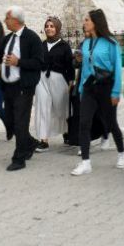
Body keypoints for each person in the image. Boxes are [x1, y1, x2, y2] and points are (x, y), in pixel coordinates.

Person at [72, 9, 124, 175]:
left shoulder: (111, 43)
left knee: (111, 123)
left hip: (106, 87)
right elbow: (86, 69)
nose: (84, 23)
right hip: (89, 87)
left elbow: (117, 68)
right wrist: (81, 89)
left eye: (87, 20)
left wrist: (116, 92)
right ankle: (85, 162)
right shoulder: (86, 43)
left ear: (96, 22)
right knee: (84, 123)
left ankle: (122, 152)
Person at [1, 6, 45, 171]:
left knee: (20, 123)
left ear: (15, 20)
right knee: (11, 121)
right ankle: (31, 143)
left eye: (7, 18)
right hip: (8, 87)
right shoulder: (8, 38)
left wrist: (18, 62)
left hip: (23, 87)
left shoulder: (31, 37)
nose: (5, 21)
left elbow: (39, 63)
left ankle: (19, 159)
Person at [34, 17, 73, 152]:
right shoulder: (41, 45)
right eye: (47, 26)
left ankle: (67, 132)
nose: (49, 28)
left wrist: (71, 82)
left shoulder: (64, 46)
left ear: (57, 28)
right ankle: (43, 140)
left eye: (52, 26)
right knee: (42, 108)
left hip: (59, 79)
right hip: (41, 79)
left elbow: (70, 66)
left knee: (61, 109)